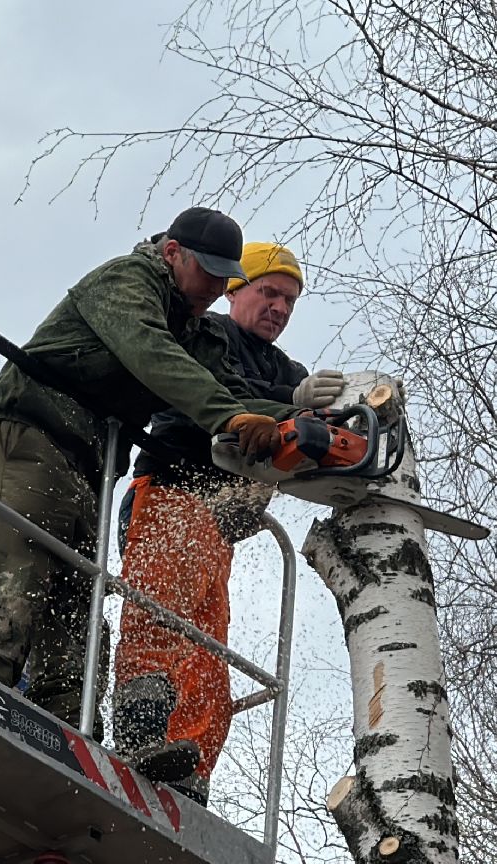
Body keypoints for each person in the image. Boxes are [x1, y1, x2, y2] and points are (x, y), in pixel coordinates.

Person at [0, 208, 299, 723]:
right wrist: (231, 418)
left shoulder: (192, 326)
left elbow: (229, 390)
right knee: (14, 581)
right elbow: (153, 354)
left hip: (90, 467)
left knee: (77, 610)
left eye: (225, 276)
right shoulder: (126, 282)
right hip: (31, 435)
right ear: (173, 253)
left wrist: (307, 419)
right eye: (209, 271)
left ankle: (64, 730)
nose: (216, 286)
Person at [110, 242, 343, 803]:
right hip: (169, 493)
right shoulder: (207, 334)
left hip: (218, 526)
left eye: (289, 301)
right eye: (270, 293)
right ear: (236, 290)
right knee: (163, 616)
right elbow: (216, 394)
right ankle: (141, 732)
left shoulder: (287, 369)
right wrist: (291, 401)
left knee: (208, 650)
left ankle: (190, 772)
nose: (279, 308)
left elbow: (300, 430)